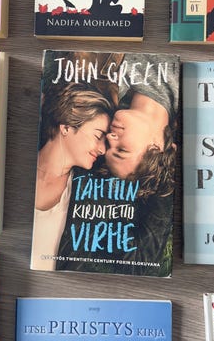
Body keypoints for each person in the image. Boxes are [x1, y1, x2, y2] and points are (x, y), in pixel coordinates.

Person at [57, 53, 180, 276]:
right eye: (122, 150)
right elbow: (142, 261)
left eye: (109, 147)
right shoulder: (186, 90)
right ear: (157, 147)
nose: (110, 138)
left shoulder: (96, 85)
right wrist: (166, 170)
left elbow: (138, 262)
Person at [31, 82, 114, 270]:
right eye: (97, 136)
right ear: (67, 126)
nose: (102, 149)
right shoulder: (18, 167)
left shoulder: (89, 194)